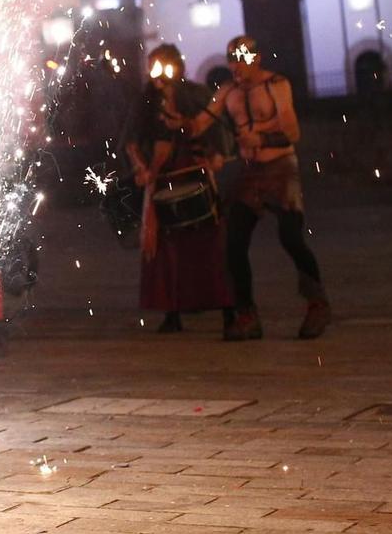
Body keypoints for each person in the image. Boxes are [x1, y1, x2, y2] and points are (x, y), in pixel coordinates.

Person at [170, 35, 330, 340]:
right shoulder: (227, 92)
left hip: (281, 168)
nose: (236, 67)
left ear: (255, 59)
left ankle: (317, 303)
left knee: (291, 237)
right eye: (231, 60)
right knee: (234, 241)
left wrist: (262, 139)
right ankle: (246, 314)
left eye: (241, 60)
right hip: (250, 173)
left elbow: (292, 131)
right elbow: (202, 123)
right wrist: (179, 120)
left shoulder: (276, 85)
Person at [122, 44, 236, 336]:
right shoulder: (145, 101)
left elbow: (212, 129)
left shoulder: (195, 94)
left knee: (210, 245)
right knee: (165, 250)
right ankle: (172, 312)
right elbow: (132, 140)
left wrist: (216, 154)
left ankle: (227, 308)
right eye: (153, 65)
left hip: (194, 172)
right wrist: (141, 168)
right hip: (163, 176)